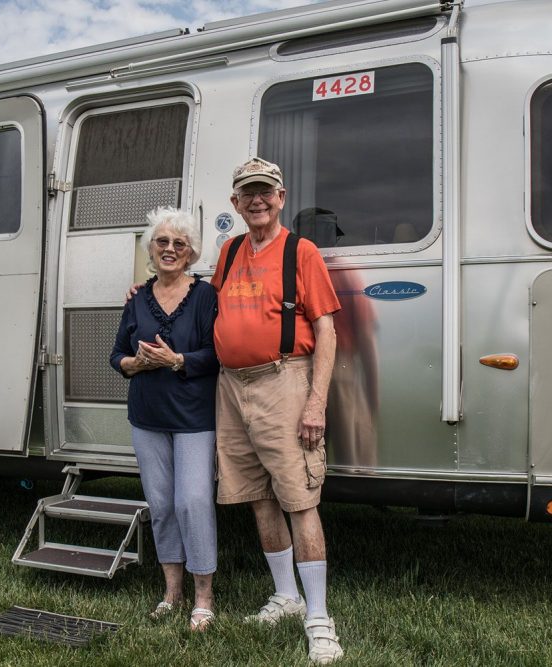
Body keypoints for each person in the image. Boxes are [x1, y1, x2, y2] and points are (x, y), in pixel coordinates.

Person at [211, 157, 343, 663]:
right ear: (235, 202)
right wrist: (148, 287)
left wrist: (316, 402)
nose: (257, 200)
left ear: (281, 198)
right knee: (259, 498)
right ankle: (286, 597)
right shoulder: (229, 251)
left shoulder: (300, 251)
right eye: (248, 193)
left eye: (266, 191)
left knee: (299, 499)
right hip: (232, 387)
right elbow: (211, 307)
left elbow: (327, 330)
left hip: (284, 381)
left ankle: (319, 618)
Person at [110, 206, 219, 632]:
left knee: (193, 502)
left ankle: (204, 596)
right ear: (151, 249)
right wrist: (134, 364)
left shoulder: (205, 296)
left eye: (179, 243)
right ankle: (172, 592)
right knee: (161, 504)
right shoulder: (137, 298)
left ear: (191, 253)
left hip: (194, 417)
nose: (170, 249)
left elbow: (216, 354)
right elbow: (117, 354)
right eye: (162, 241)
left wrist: (176, 361)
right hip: (147, 416)